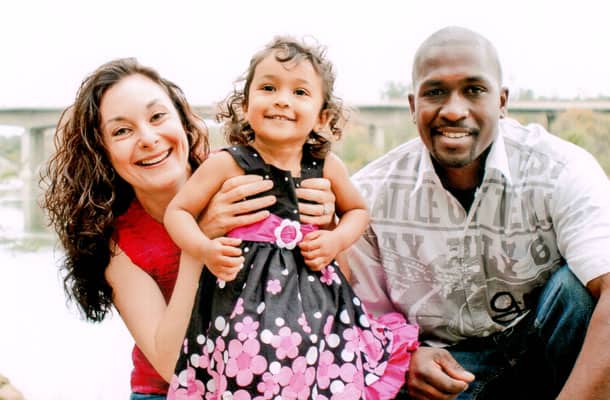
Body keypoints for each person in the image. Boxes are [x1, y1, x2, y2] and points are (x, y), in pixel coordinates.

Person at [41, 57, 338, 400]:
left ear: (183, 122)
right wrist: (198, 242)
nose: (148, 138)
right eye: (122, 131)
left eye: (157, 117)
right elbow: (170, 364)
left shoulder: (244, 175)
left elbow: (333, 292)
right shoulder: (118, 244)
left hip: (275, 379)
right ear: (102, 152)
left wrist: (326, 224)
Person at [347, 26, 610, 400]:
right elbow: (358, 317)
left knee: (578, 288)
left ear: (501, 101)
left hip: (551, 354)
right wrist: (403, 356)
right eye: (435, 92)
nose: (454, 111)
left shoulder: (561, 170)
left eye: (474, 90)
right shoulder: (367, 196)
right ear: (412, 106)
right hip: (447, 374)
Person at [164, 36, 419, 399]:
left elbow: (358, 211)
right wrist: (204, 249)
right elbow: (178, 212)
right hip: (241, 318)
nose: (282, 99)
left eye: (300, 92)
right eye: (269, 88)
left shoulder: (327, 167)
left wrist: (335, 239)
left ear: (322, 116)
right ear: (245, 105)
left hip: (318, 318)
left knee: (323, 379)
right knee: (243, 378)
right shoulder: (226, 164)